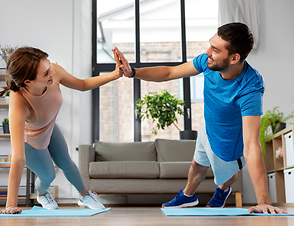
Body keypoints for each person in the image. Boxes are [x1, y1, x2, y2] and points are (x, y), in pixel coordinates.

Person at [114, 22, 287, 214]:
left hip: (229, 142)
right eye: (210, 45)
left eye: (214, 49)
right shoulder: (208, 62)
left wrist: (263, 201)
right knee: (197, 165)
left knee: (227, 177)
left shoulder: (250, 87)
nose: (207, 53)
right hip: (209, 127)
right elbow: (170, 72)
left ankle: (222, 190)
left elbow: (251, 145)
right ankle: (188, 196)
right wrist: (133, 73)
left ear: (234, 58)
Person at [0, 46, 122, 214]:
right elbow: (18, 157)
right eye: (45, 73)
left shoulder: (53, 71)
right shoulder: (19, 102)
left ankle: (85, 196)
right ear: (28, 81)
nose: (52, 73)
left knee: (66, 162)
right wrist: (10, 204)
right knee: (49, 175)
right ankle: (42, 194)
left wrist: (115, 74)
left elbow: (83, 84)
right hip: (31, 142)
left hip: (50, 127)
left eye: (49, 67)